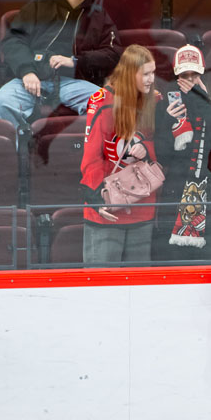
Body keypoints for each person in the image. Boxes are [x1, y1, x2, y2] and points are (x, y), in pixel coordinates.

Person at [0, 0, 123, 135]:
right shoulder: (39, 6)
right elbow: (13, 40)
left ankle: (89, 151)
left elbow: (114, 53)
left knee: (109, 103)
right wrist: (27, 71)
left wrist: (76, 61)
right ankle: (19, 149)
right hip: (33, 77)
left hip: (74, 81)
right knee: (0, 103)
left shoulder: (99, 15)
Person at [80, 45, 162, 264]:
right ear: (130, 73)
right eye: (145, 74)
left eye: (153, 73)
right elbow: (91, 158)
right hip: (107, 213)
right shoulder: (102, 101)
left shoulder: (155, 101)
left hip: (142, 211)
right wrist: (98, 199)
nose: (151, 79)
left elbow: (165, 150)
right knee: (103, 283)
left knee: (139, 284)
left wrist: (146, 151)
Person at [151, 45, 211, 261]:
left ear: (202, 73)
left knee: (206, 251)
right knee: (172, 253)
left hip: (210, 185)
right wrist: (168, 119)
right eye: (184, 76)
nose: (189, 80)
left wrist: (202, 100)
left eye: (193, 75)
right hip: (177, 184)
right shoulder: (168, 102)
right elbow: (162, 154)